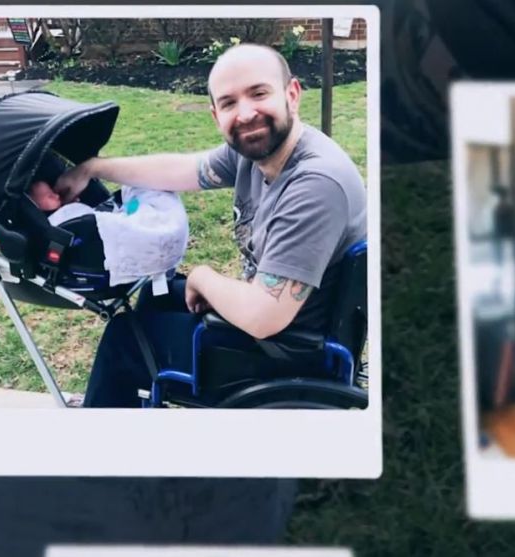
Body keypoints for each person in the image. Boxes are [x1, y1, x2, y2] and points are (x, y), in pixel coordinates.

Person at [55, 44, 367, 408]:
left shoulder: (315, 184)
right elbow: (181, 170)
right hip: (279, 325)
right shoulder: (258, 151)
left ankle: (100, 452)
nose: (246, 113)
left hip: (285, 353)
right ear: (216, 115)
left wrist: (202, 277)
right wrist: (92, 168)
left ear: (291, 95)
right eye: (229, 103)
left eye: (259, 93)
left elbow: (263, 316)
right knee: (155, 295)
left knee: (125, 339)